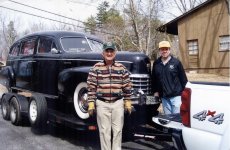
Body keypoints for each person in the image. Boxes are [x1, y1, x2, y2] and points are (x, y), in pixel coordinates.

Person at [87, 42, 132, 150]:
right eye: (107, 51)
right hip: (102, 103)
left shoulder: (121, 67)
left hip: (118, 103)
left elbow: (127, 86)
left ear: (115, 53)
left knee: (117, 131)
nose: (109, 53)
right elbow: (91, 86)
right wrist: (91, 103)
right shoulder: (96, 67)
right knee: (104, 132)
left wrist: (128, 101)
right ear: (103, 53)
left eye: (111, 51)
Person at [151, 40, 188, 114]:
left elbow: (183, 79)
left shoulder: (176, 62)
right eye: (162, 49)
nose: (164, 51)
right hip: (164, 98)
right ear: (159, 51)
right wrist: (155, 92)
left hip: (176, 97)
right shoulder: (156, 63)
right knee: (168, 119)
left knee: (177, 119)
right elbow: (153, 79)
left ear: (169, 50)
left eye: (166, 49)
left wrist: (185, 95)